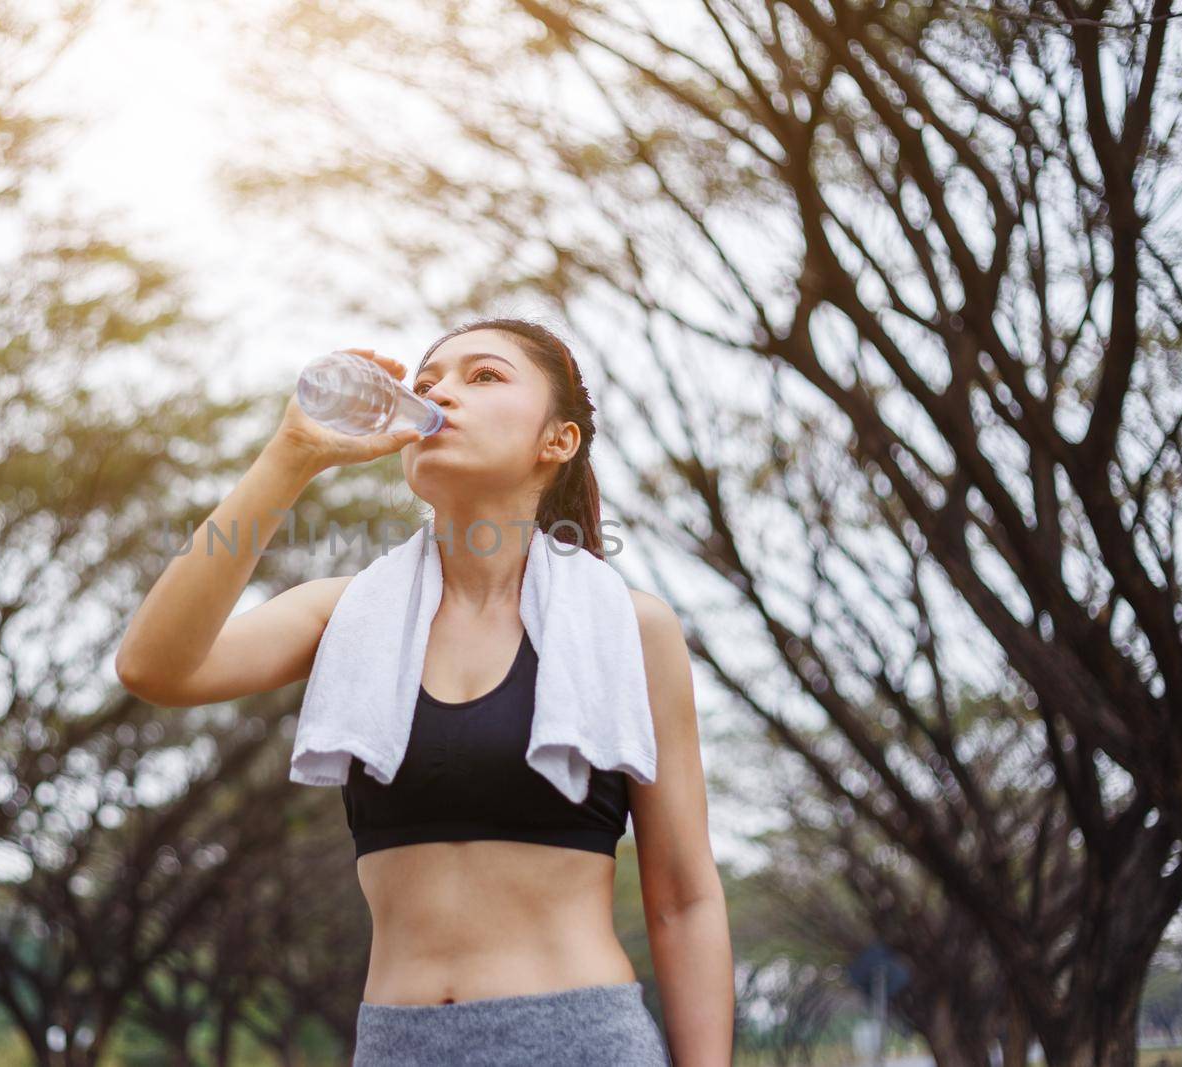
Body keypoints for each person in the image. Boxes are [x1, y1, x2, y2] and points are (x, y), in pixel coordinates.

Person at [115, 318, 734, 1065]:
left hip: (579, 1039)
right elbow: (154, 666)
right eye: (429, 379)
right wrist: (291, 457)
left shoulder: (630, 627)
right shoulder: (346, 612)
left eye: (485, 376)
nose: (438, 390)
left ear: (557, 441)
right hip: (398, 1044)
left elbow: (683, 898)